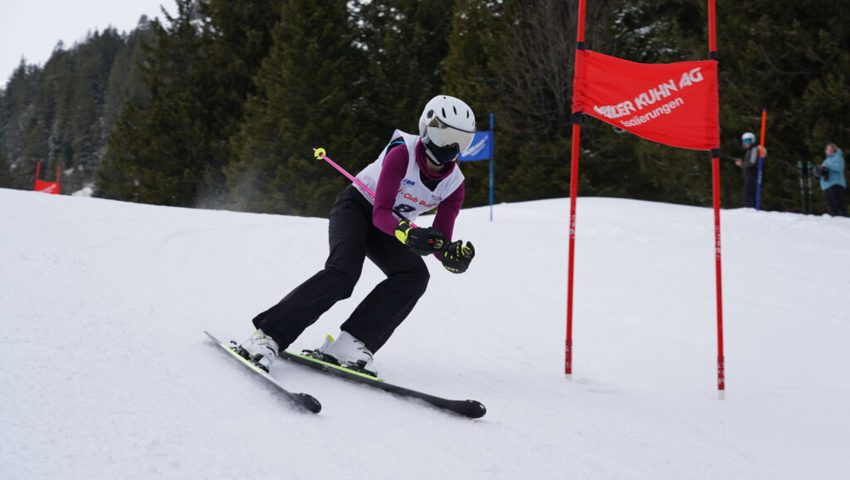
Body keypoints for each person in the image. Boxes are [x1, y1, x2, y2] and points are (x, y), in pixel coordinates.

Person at [236, 95, 477, 376]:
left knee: (414, 276)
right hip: (358, 208)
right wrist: (410, 234)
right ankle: (267, 336)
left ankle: (352, 343)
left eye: (462, 140)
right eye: (445, 134)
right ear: (426, 129)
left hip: (393, 227)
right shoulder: (402, 153)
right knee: (343, 273)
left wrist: (448, 254)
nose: (452, 147)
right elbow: (381, 212)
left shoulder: (454, 185)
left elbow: (438, 240)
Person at [734, 131, 767, 208]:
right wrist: (742, 163)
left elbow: (752, 162)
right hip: (749, 175)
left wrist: (741, 164)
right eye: (745, 141)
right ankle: (751, 208)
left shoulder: (754, 149)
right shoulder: (749, 150)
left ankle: (751, 209)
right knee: (748, 193)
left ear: (752, 141)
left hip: (752, 175)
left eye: (748, 141)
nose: (746, 143)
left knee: (747, 193)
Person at [813, 143, 847, 217]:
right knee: (831, 204)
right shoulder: (826, 160)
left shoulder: (838, 157)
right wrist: (818, 172)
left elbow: (839, 168)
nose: (828, 150)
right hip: (826, 185)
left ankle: (844, 219)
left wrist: (827, 165)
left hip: (836, 183)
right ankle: (834, 221)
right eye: (827, 148)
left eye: (830, 148)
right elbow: (824, 172)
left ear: (834, 150)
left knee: (838, 203)